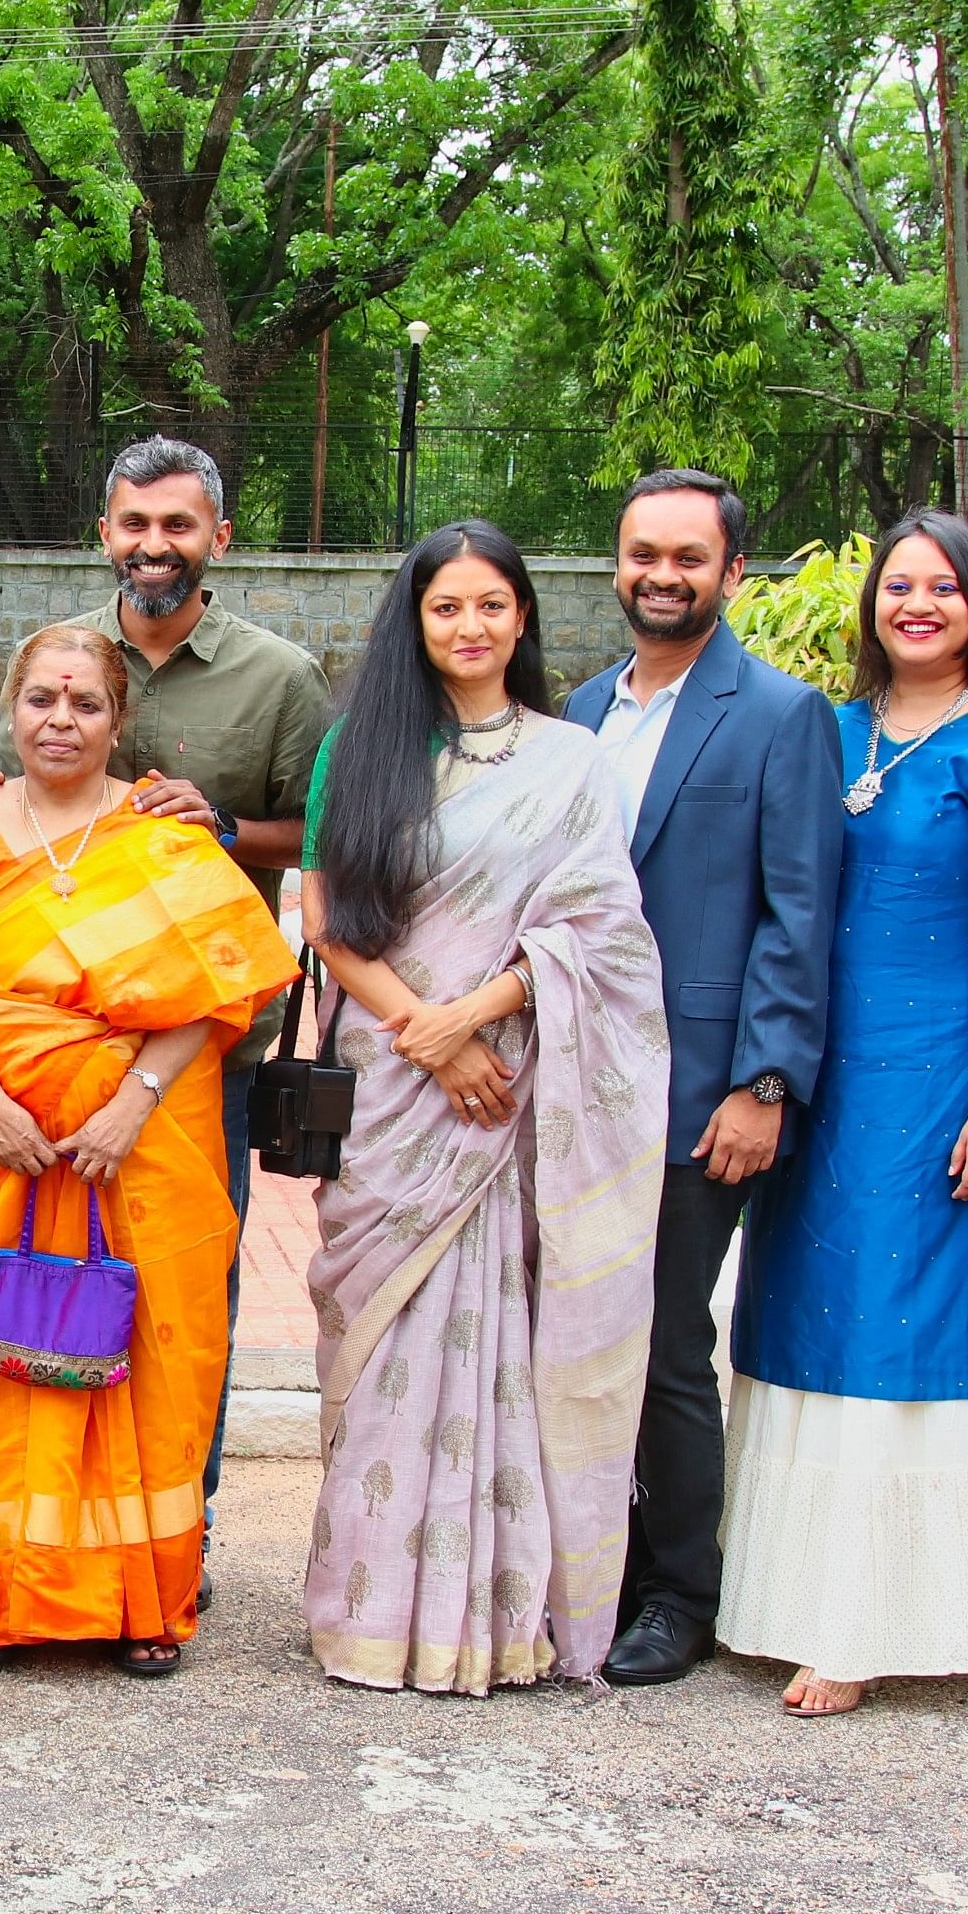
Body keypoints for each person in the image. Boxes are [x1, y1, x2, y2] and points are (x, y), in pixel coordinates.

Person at [296, 522, 669, 1694]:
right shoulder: (357, 748)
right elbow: (327, 923)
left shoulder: (572, 760)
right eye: (446, 606)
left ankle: (499, 1615)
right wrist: (426, 1028)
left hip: (508, 1081)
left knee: (502, 1339)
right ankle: (370, 1612)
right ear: (414, 620)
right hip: (396, 1089)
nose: (469, 626)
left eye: (491, 605)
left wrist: (479, 1016)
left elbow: (601, 932)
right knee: (383, 1338)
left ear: (522, 617)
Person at [718, 511, 968, 1718]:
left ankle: (872, 1617)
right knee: (798, 1314)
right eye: (896, 584)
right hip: (820, 1079)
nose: (914, 603)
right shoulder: (830, 731)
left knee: (899, 1324)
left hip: (942, 1083)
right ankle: (784, 1592)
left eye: (941, 586)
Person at [0, 436, 332, 1530]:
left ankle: (172, 1522)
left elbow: (317, 831)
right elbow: (11, 801)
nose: (152, 545)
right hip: (40, 1062)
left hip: (198, 1052)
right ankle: (29, 1517)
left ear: (218, 536)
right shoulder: (53, 659)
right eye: (133, 523)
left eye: (176, 525)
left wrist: (226, 826)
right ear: (102, 532)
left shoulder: (277, 675)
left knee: (177, 1291)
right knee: (33, 1283)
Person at [0, 623, 297, 1676]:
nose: (59, 720)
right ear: (9, 706)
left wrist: (132, 1101)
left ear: (117, 717)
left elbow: (219, 984)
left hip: (140, 1136)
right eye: (39, 699)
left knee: (151, 1351)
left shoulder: (162, 827)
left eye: (83, 702)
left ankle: (140, 1599)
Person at [560, 469, 845, 1689]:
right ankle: (588, 1571)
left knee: (668, 1336)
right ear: (614, 564)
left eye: (688, 555)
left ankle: (678, 1592)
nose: (660, 574)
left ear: (733, 573)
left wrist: (764, 1082)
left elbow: (799, 910)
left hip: (698, 1088)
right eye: (640, 552)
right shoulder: (577, 710)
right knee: (577, 1332)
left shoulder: (781, 714)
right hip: (571, 1079)